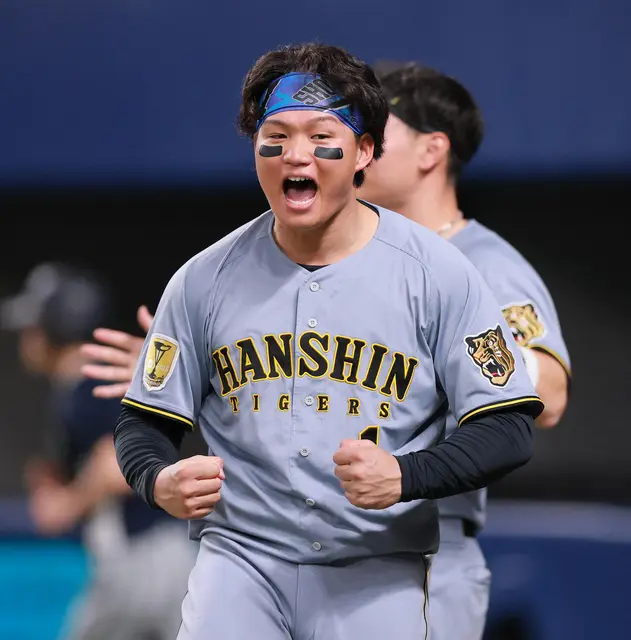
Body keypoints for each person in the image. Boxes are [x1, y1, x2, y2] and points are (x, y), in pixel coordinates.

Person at [105, 43, 544, 640]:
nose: (295, 154)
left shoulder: (439, 273)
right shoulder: (203, 279)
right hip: (241, 562)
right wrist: (157, 480)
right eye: (276, 136)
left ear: (365, 151)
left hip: (376, 567)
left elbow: (508, 425)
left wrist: (407, 475)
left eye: (320, 136)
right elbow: (143, 422)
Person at [357, 62, 571, 639]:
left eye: (375, 130)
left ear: (432, 150)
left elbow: (549, 393)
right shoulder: (352, 261)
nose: (356, 145)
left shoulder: (481, 261)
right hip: (320, 549)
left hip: (423, 549)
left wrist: (453, 344)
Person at [0, 262, 195, 640]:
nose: (27, 337)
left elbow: (117, 466)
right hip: (165, 554)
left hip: (143, 558)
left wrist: (67, 504)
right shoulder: (87, 383)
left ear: (54, 327)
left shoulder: (88, 387)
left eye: (33, 327)